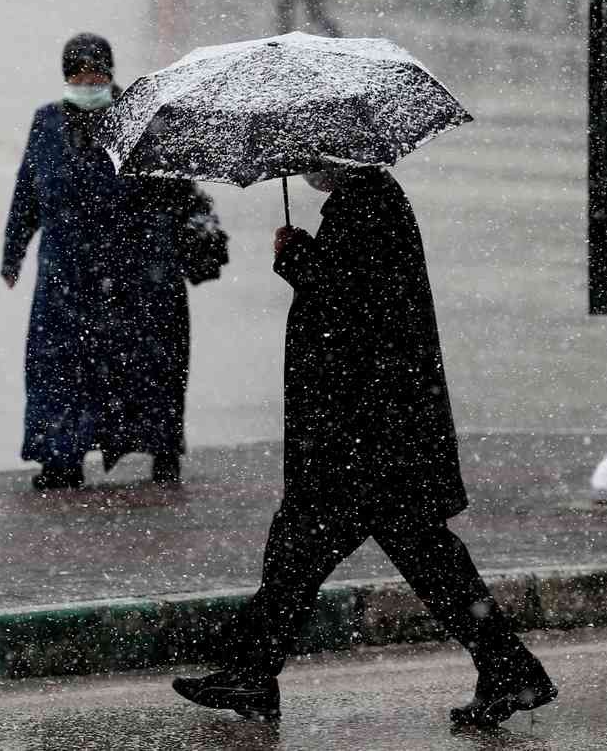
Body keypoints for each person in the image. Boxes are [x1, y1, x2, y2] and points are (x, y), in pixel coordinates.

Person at [171, 166, 555, 728]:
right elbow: (358, 301)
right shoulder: (366, 205)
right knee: (386, 552)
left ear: (340, 159)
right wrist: (306, 259)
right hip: (371, 428)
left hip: (365, 431)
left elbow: (357, 310)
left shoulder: (368, 210)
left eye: (311, 158)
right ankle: (507, 670)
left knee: (315, 549)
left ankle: (252, 672)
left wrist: (298, 262)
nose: (302, 168)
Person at [2, 33, 226, 490]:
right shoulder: (46, 124)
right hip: (66, 278)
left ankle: (161, 450)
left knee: (147, 367)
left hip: (135, 276)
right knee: (59, 369)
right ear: (66, 76)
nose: (88, 82)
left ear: (110, 73)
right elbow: (28, 191)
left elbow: (176, 188)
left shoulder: (142, 121)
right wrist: (13, 252)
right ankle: (59, 458)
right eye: (78, 74)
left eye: (96, 74)